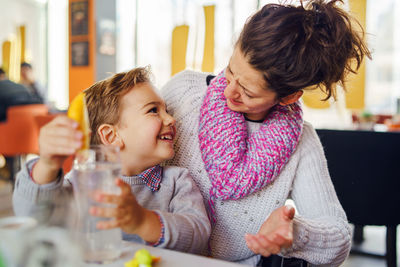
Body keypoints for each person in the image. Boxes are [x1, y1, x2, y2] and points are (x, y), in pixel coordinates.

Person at [161, 0, 371, 266]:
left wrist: (295, 233)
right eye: (230, 72)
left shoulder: (301, 143)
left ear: (287, 97)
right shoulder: (184, 91)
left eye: (247, 92)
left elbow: (339, 240)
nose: (228, 91)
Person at [13, 67, 211, 253]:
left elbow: (199, 234)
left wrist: (143, 221)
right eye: (153, 110)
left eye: (166, 110)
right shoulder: (81, 184)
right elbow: (32, 218)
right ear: (110, 136)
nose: (171, 119)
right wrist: (47, 165)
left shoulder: (177, 181)